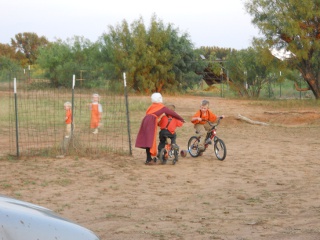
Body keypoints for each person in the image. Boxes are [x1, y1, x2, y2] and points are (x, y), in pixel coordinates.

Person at [135, 93, 185, 165]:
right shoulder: (162, 107)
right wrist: (181, 119)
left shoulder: (151, 106)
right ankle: (148, 159)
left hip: (145, 120)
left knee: (148, 140)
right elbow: (173, 113)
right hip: (151, 121)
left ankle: (148, 158)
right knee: (150, 140)